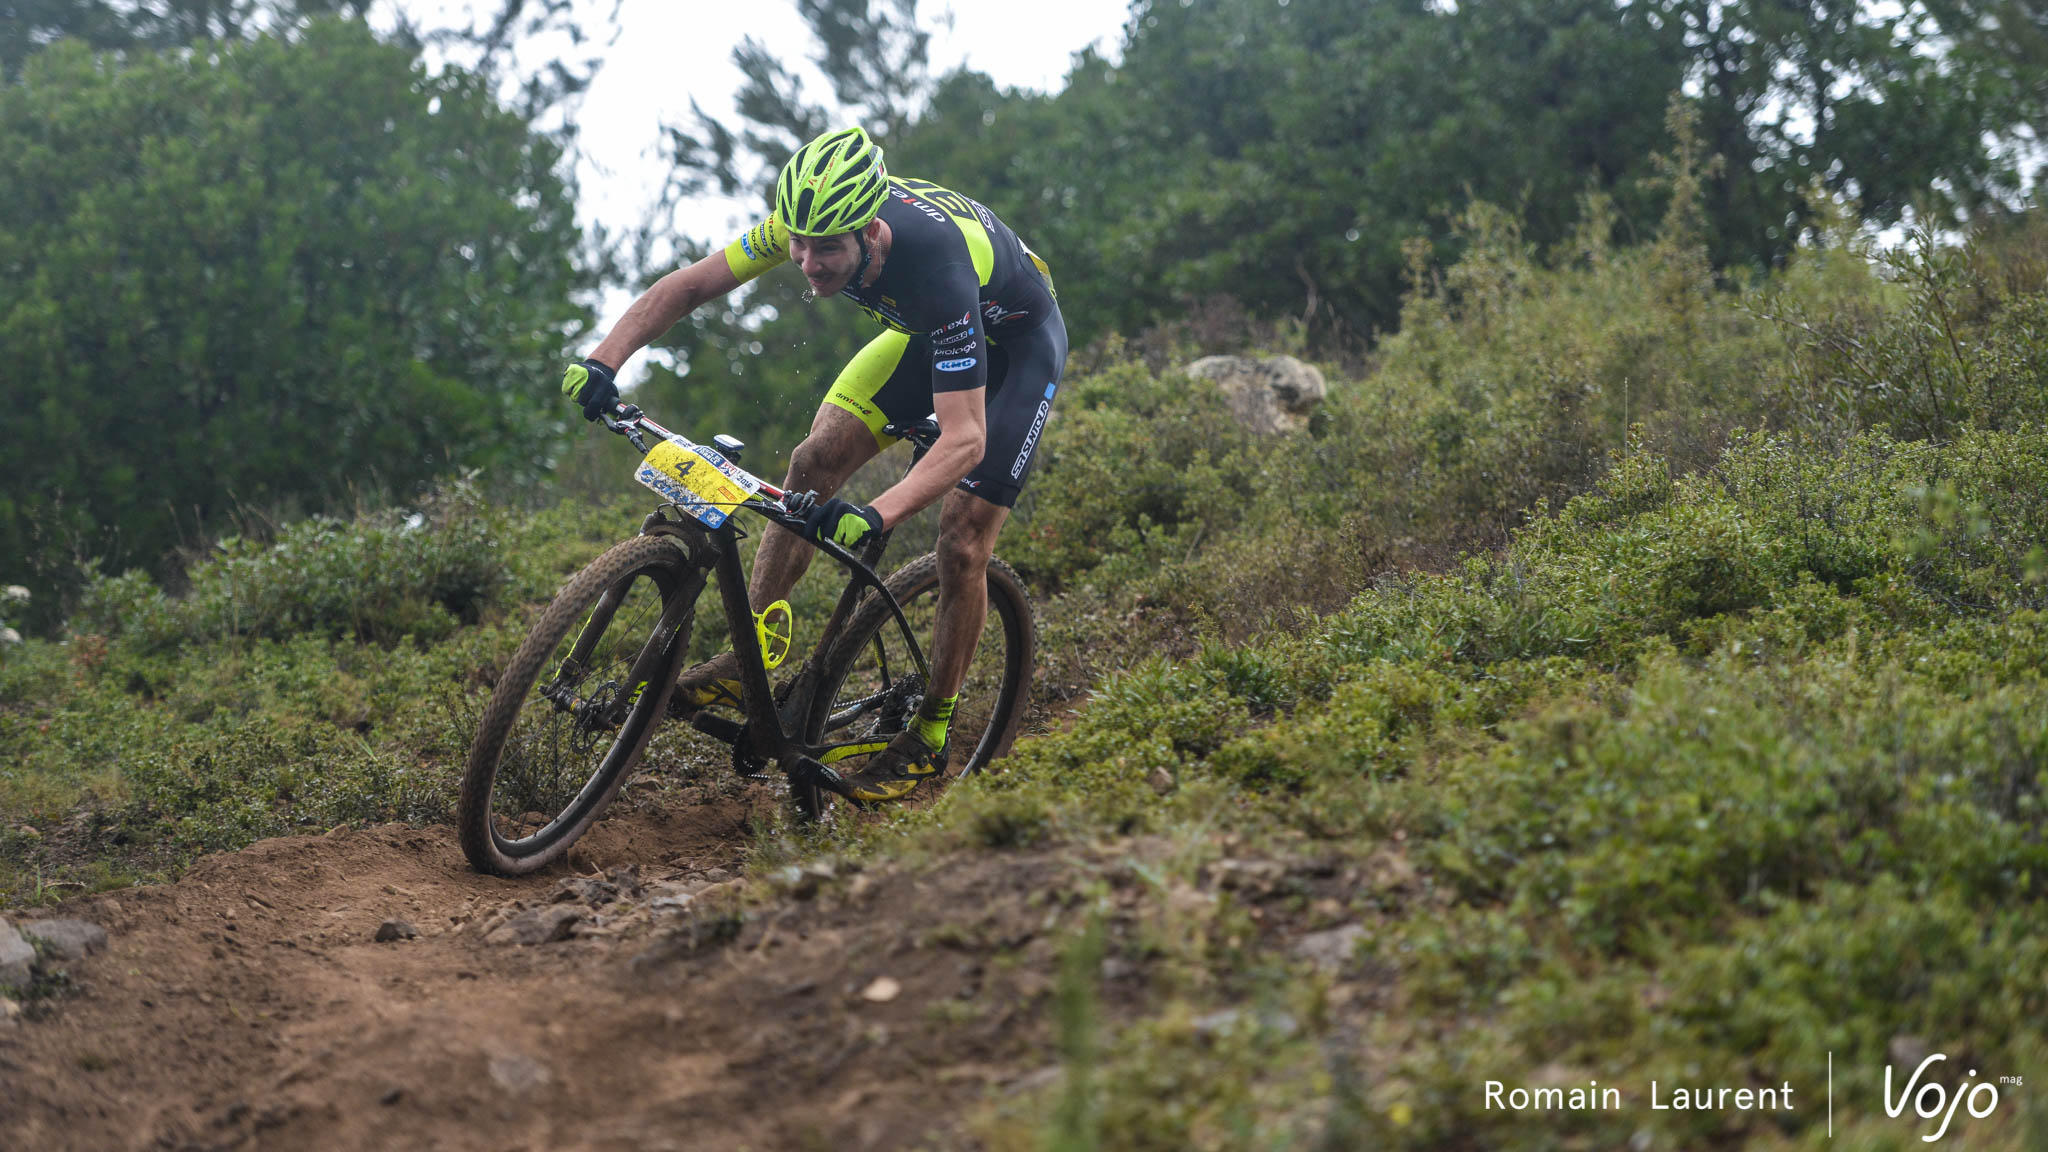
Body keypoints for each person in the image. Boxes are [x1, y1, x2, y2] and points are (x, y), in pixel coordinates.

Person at [560, 126, 1065, 802]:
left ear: (874, 234)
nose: (808, 262)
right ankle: (751, 661)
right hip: (925, 337)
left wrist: (874, 514)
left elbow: (967, 438)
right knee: (814, 459)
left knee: (963, 540)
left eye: (827, 248)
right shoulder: (805, 223)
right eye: (798, 244)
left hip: (1015, 348)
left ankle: (932, 731)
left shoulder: (939, 271)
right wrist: (604, 360)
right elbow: (689, 286)